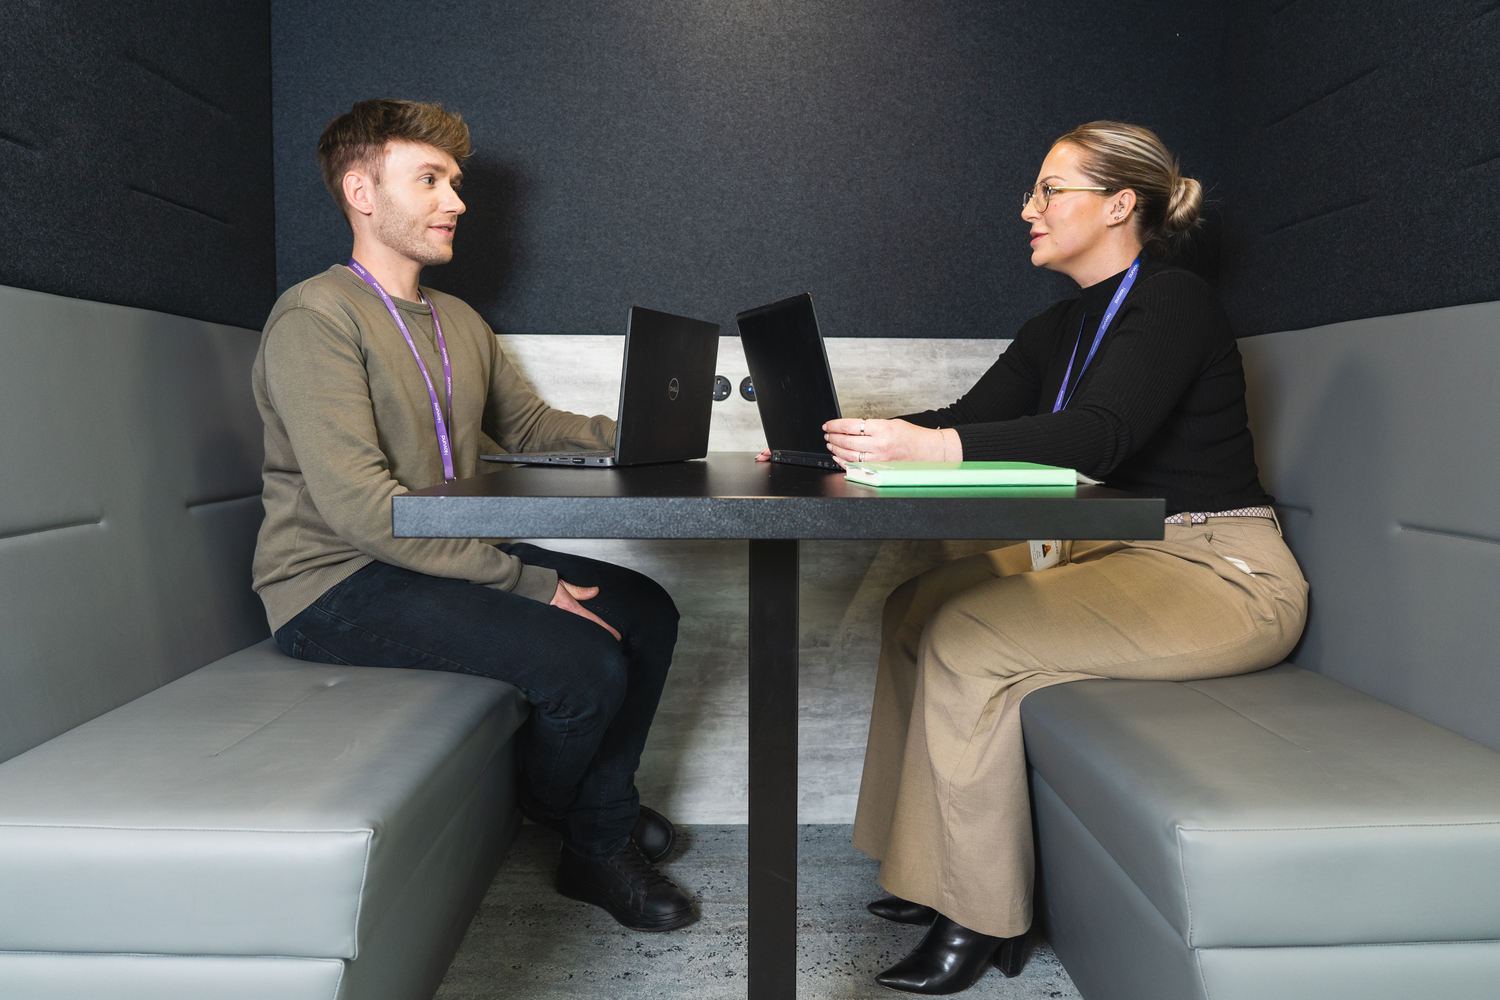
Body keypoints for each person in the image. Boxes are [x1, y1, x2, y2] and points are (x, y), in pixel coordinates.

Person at [825, 122, 1309, 993]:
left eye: (1050, 190)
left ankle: (979, 917)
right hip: (1113, 554)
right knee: (913, 607)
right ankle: (922, 866)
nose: (1029, 209)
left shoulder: (1175, 300)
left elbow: (1100, 436)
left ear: (1120, 205)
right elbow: (963, 420)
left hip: (1219, 570)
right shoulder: (1059, 324)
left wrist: (931, 451)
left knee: (968, 634)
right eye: (1033, 191)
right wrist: (857, 437)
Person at [252, 99, 695, 933]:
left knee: (648, 610)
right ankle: (590, 833)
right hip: (336, 582)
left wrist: (646, 438)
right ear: (361, 192)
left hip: (434, 557)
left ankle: (596, 811)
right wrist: (527, 583)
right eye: (430, 180)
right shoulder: (315, 317)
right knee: (586, 666)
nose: (456, 201)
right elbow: (364, 510)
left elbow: (529, 427)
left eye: (455, 182)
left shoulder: (459, 319)